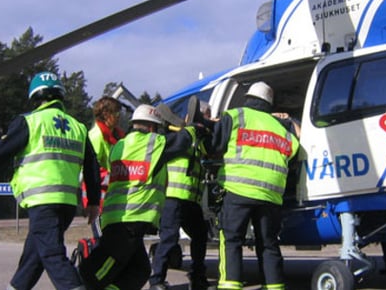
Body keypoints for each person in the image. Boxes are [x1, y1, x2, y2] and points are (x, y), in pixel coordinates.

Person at [0, 71, 101, 290]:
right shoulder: (78, 127)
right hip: (66, 204)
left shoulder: (30, 121)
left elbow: (0, 152)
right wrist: (93, 202)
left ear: (35, 97)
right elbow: (92, 167)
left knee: (52, 255)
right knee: (33, 257)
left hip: (42, 201)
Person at [79, 104, 204, 290]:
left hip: (118, 217)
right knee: (98, 270)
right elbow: (181, 142)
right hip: (131, 219)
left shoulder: (119, 145)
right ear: (153, 127)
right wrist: (195, 128)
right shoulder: (153, 144)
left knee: (140, 270)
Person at [205, 81, 300, 290]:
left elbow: (215, 147)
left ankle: (230, 286)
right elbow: (294, 154)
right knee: (269, 244)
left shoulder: (235, 116)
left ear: (247, 98)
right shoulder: (281, 128)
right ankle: (274, 286)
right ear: (269, 104)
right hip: (271, 196)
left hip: (238, 190)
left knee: (231, 240)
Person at [148, 106, 212, 290]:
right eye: (204, 117)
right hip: (173, 196)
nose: (205, 121)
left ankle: (198, 276)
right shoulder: (178, 136)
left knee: (200, 235)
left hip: (191, 199)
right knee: (169, 237)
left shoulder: (198, 139)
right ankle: (157, 281)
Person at [82, 96, 125, 211]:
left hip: (112, 194)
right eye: (116, 113)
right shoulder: (96, 136)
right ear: (106, 114)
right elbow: (93, 168)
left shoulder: (117, 136)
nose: (119, 116)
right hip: (100, 198)